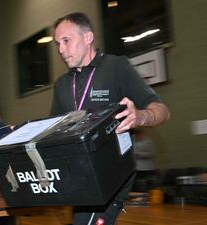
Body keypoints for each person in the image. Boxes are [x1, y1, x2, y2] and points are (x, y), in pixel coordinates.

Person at [51, 12, 170, 225]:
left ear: (88, 37)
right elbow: (54, 130)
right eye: (58, 43)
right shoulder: (61, 85)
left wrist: (140, 116)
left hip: (114, 171)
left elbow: (162, 110)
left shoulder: (117, 67)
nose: (61, 49)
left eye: (66, 41)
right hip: (79, 172)